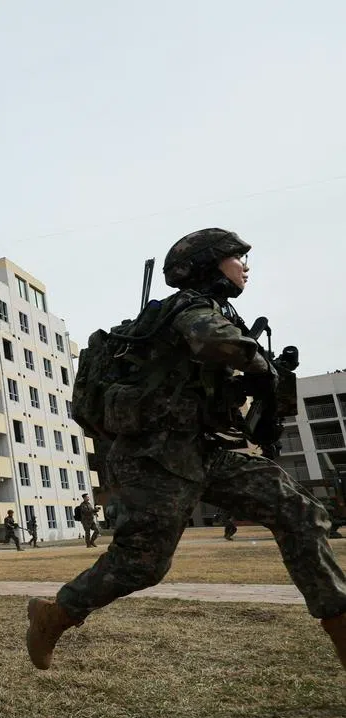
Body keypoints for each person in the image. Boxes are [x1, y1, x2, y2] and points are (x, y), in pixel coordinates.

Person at [26, 228, 346, 671]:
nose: (245, 267)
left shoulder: (216, 311)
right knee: (141, 565)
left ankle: (340, 624)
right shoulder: (187, 307)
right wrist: (261, 367)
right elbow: (214, 340)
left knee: (297, 510)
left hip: (206, 450)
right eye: (237, 258)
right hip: (155, 457)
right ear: (209, 263)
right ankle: (53, 616)